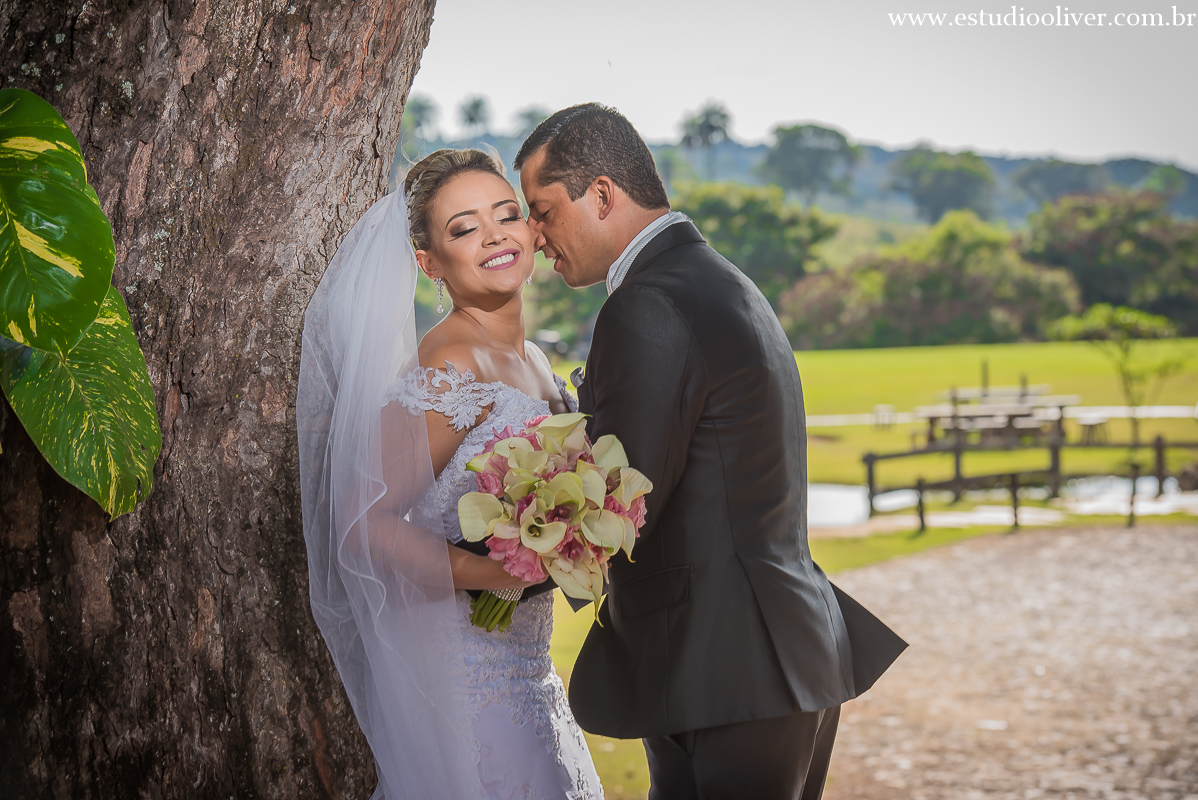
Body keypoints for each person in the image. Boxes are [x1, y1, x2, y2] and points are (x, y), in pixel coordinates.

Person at [516, 104, 908, 800]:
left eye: (543, 210)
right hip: (766, 657)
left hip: (726, 670)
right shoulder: (718, 282)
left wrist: (475, 566)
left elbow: (616, 502)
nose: (534, 236)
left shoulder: (648, 305)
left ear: (602, 194)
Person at [297, 148, 602, 799]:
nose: (494, 235)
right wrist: (495, 573)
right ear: (428, 262)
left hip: (527, 661)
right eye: (463, 228)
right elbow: (362, 520)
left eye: (506, 214)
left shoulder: (536, 362)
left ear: (531, 229)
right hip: (469, 668)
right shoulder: (453, 365)